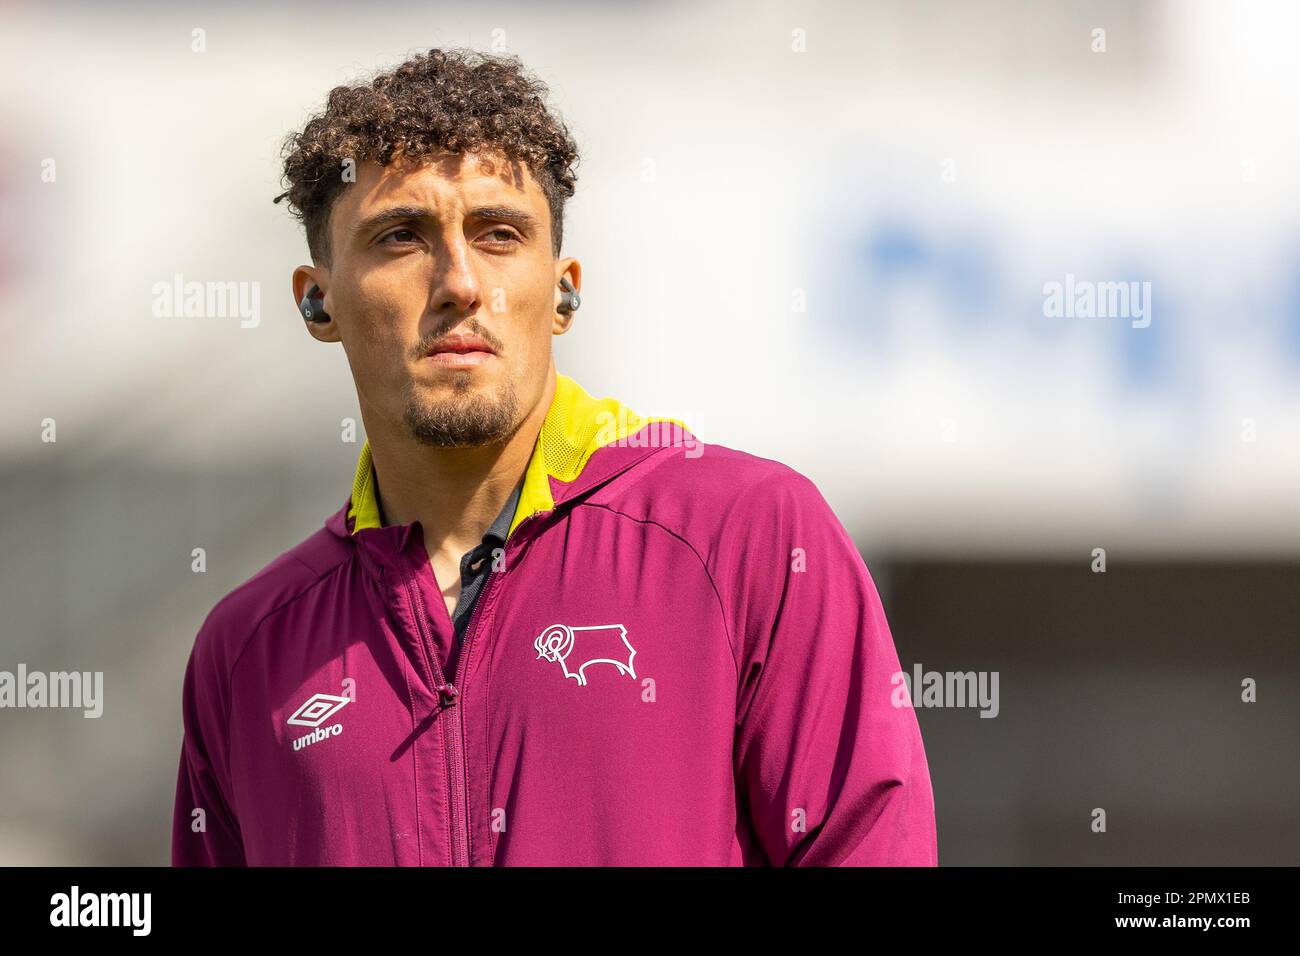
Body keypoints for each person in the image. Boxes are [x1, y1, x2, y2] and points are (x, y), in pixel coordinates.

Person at [171, 47, 937, 866]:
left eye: (499, 234)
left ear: (564, 289)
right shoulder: (245, 650)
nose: (461, 283)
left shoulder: (750, 535)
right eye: (401, 237)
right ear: (317, 300)